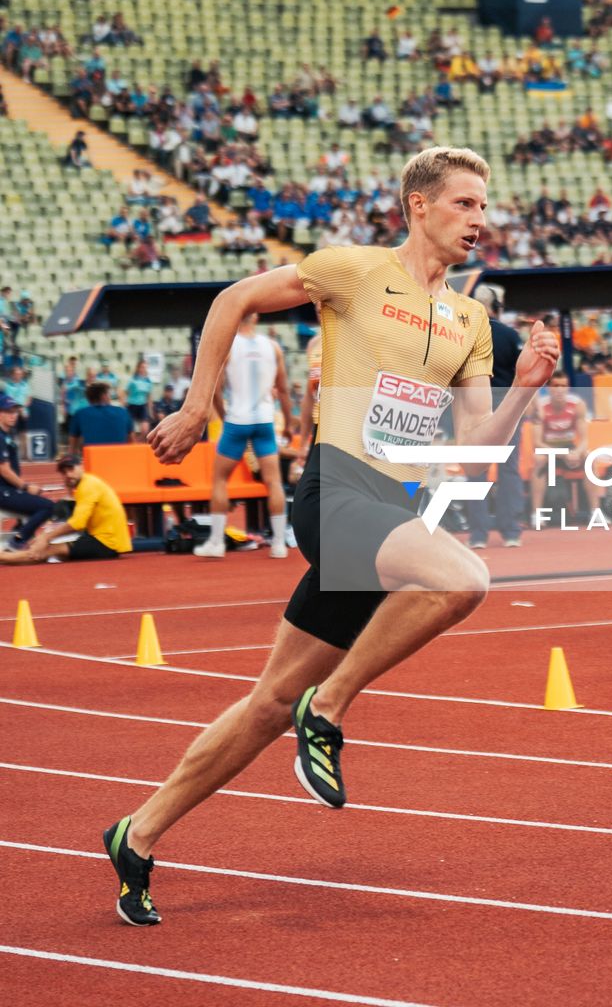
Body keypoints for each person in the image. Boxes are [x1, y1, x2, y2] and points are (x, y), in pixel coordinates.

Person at [100, 146, 559, 927]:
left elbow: (476, 451)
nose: (482, 219)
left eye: (486, 206)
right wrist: (197, 405)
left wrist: (522, 393)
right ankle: (333, 706)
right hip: (336, 490)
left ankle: (136, 835)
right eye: (467, 203)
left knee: (267, 703)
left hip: (389, 513)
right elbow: (232, 300)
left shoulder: (471, 321)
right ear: (420, 205)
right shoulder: (353, 272)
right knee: (463, 579)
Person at [195, 310, 293, 560]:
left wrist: (223, 414)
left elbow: (216, 389)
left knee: (219, 479)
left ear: (237, 319)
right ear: (256, 318)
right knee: (273, 482)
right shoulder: (273, 347)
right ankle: (279, 543)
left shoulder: (229, 347)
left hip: (237, 419)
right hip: (264, 420)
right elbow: (283, 390)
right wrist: (290, 423)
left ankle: (217, 543)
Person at [464, 284, 524, 549]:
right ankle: (510, 531)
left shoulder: (462, 334)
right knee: (508, 468)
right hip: (505, 407)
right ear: (496, 306)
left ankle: (478, 534)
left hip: (471, 407)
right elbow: (523, 372)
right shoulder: (510, 335)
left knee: (475, 471)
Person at [0, 449, 131, 565]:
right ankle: (9, 556)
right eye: (64, 472)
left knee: (49, 550)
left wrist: (46, 537)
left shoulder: (88, 486)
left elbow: (77, 524)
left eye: (71, 469)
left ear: (81, 467)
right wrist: (46, 537)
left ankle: (4, 557)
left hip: (106, 542)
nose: (68, 474)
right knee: (48, 548)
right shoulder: (86, 483)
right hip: (103, 538)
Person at [529, 367, 591, 523]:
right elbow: (537, 443)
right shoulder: (540, 407)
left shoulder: (578, 405)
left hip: (569, 446)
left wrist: (578, 452)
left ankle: (596, 511)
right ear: (549, 388)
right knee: (539, 459)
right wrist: (563, 454)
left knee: (590, 458)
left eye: (563, 386)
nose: (559, 390)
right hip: (548, 448)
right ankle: (536, 514)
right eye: (556, 386)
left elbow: (584, 439)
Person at [0, 393, 56, 549]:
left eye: (15, 411)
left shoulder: (6, 435)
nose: (13, 416)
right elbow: (4, 470)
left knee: (35, 505)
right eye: (8, 412)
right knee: (48, 506)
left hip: (8, 489)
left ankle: (17, 533)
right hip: (3, 491)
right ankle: (17, 541)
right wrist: (25, 487)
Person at [68, 379, 133, 447]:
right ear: (104, 396)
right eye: (109, 394)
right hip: (119, 456)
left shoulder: (80, 414)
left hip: (93, 456)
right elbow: (132, 442)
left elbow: (72, 447)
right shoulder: (123, 412)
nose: (110, 397)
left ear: (88, 398)